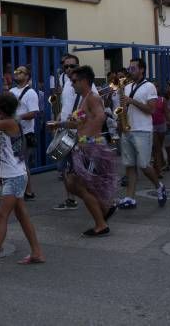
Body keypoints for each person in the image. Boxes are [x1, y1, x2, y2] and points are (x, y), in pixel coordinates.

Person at [0, 92, 44, 271]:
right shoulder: (12, 123)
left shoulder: (8, 122)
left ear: (1, 108)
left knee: (1, 216)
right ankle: (36, 252)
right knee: (21, 215)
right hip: (14, 175)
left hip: (15, 177)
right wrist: (3, 174)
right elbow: (15, 151)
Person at [59, 66, 119, 236]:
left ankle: (101, 224)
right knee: (72, 183)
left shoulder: (92, 98)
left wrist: (86, 139)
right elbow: (80, 122)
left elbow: (100, 117)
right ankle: (105, 209)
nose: (72, 85)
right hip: (85, 147)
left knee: (81, 186)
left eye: (74, 81)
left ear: (84, 81)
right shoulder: (84, 99)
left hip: (90, 148)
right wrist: (59, 124)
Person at [116, 58, 166, 209]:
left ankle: (159, 186)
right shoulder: (127, 86)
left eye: (133, 68)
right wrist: (121, 120)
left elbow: (151, 110)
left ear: (142, 70)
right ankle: (130, 198)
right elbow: (124, 108)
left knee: (144, 165)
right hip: (128, 129)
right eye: (129, 68)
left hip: (142, 130)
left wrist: (132, 101)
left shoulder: (149, 86)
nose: (130, 71)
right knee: (129, 165)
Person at [48, 54, 81, 211]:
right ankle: (71, 199)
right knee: (64, 168)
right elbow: (66, 106)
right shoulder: (67, 83)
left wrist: (77, 117)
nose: (68, 69)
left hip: (79, 133)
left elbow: (94, 105)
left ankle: (93, 198)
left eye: (72, 66)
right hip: (65, 130)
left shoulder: (84, 82)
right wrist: (59, 117)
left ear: (78, 66)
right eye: (65, 66)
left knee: (78, 170)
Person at [9, 65, 40, 199]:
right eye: (15, 72)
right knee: (13, 163)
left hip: (25, 133)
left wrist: (19, 117)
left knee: (22, 163)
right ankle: (20, 191)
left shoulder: (31, 93)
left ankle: (26, 192)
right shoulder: (11, 91)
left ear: (27, 76)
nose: (16, 74)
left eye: (20, 72)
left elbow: (34, 113)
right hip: (12, 133)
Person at [151, 82, 170, 175]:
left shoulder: (162, 100)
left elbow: (167, 112)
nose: (154, 89)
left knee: (159, 147)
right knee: (156, 147)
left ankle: (162, 164)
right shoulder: (148, 100)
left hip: (161, 125)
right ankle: (158, 169)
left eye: (156, 87)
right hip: (151, 126)